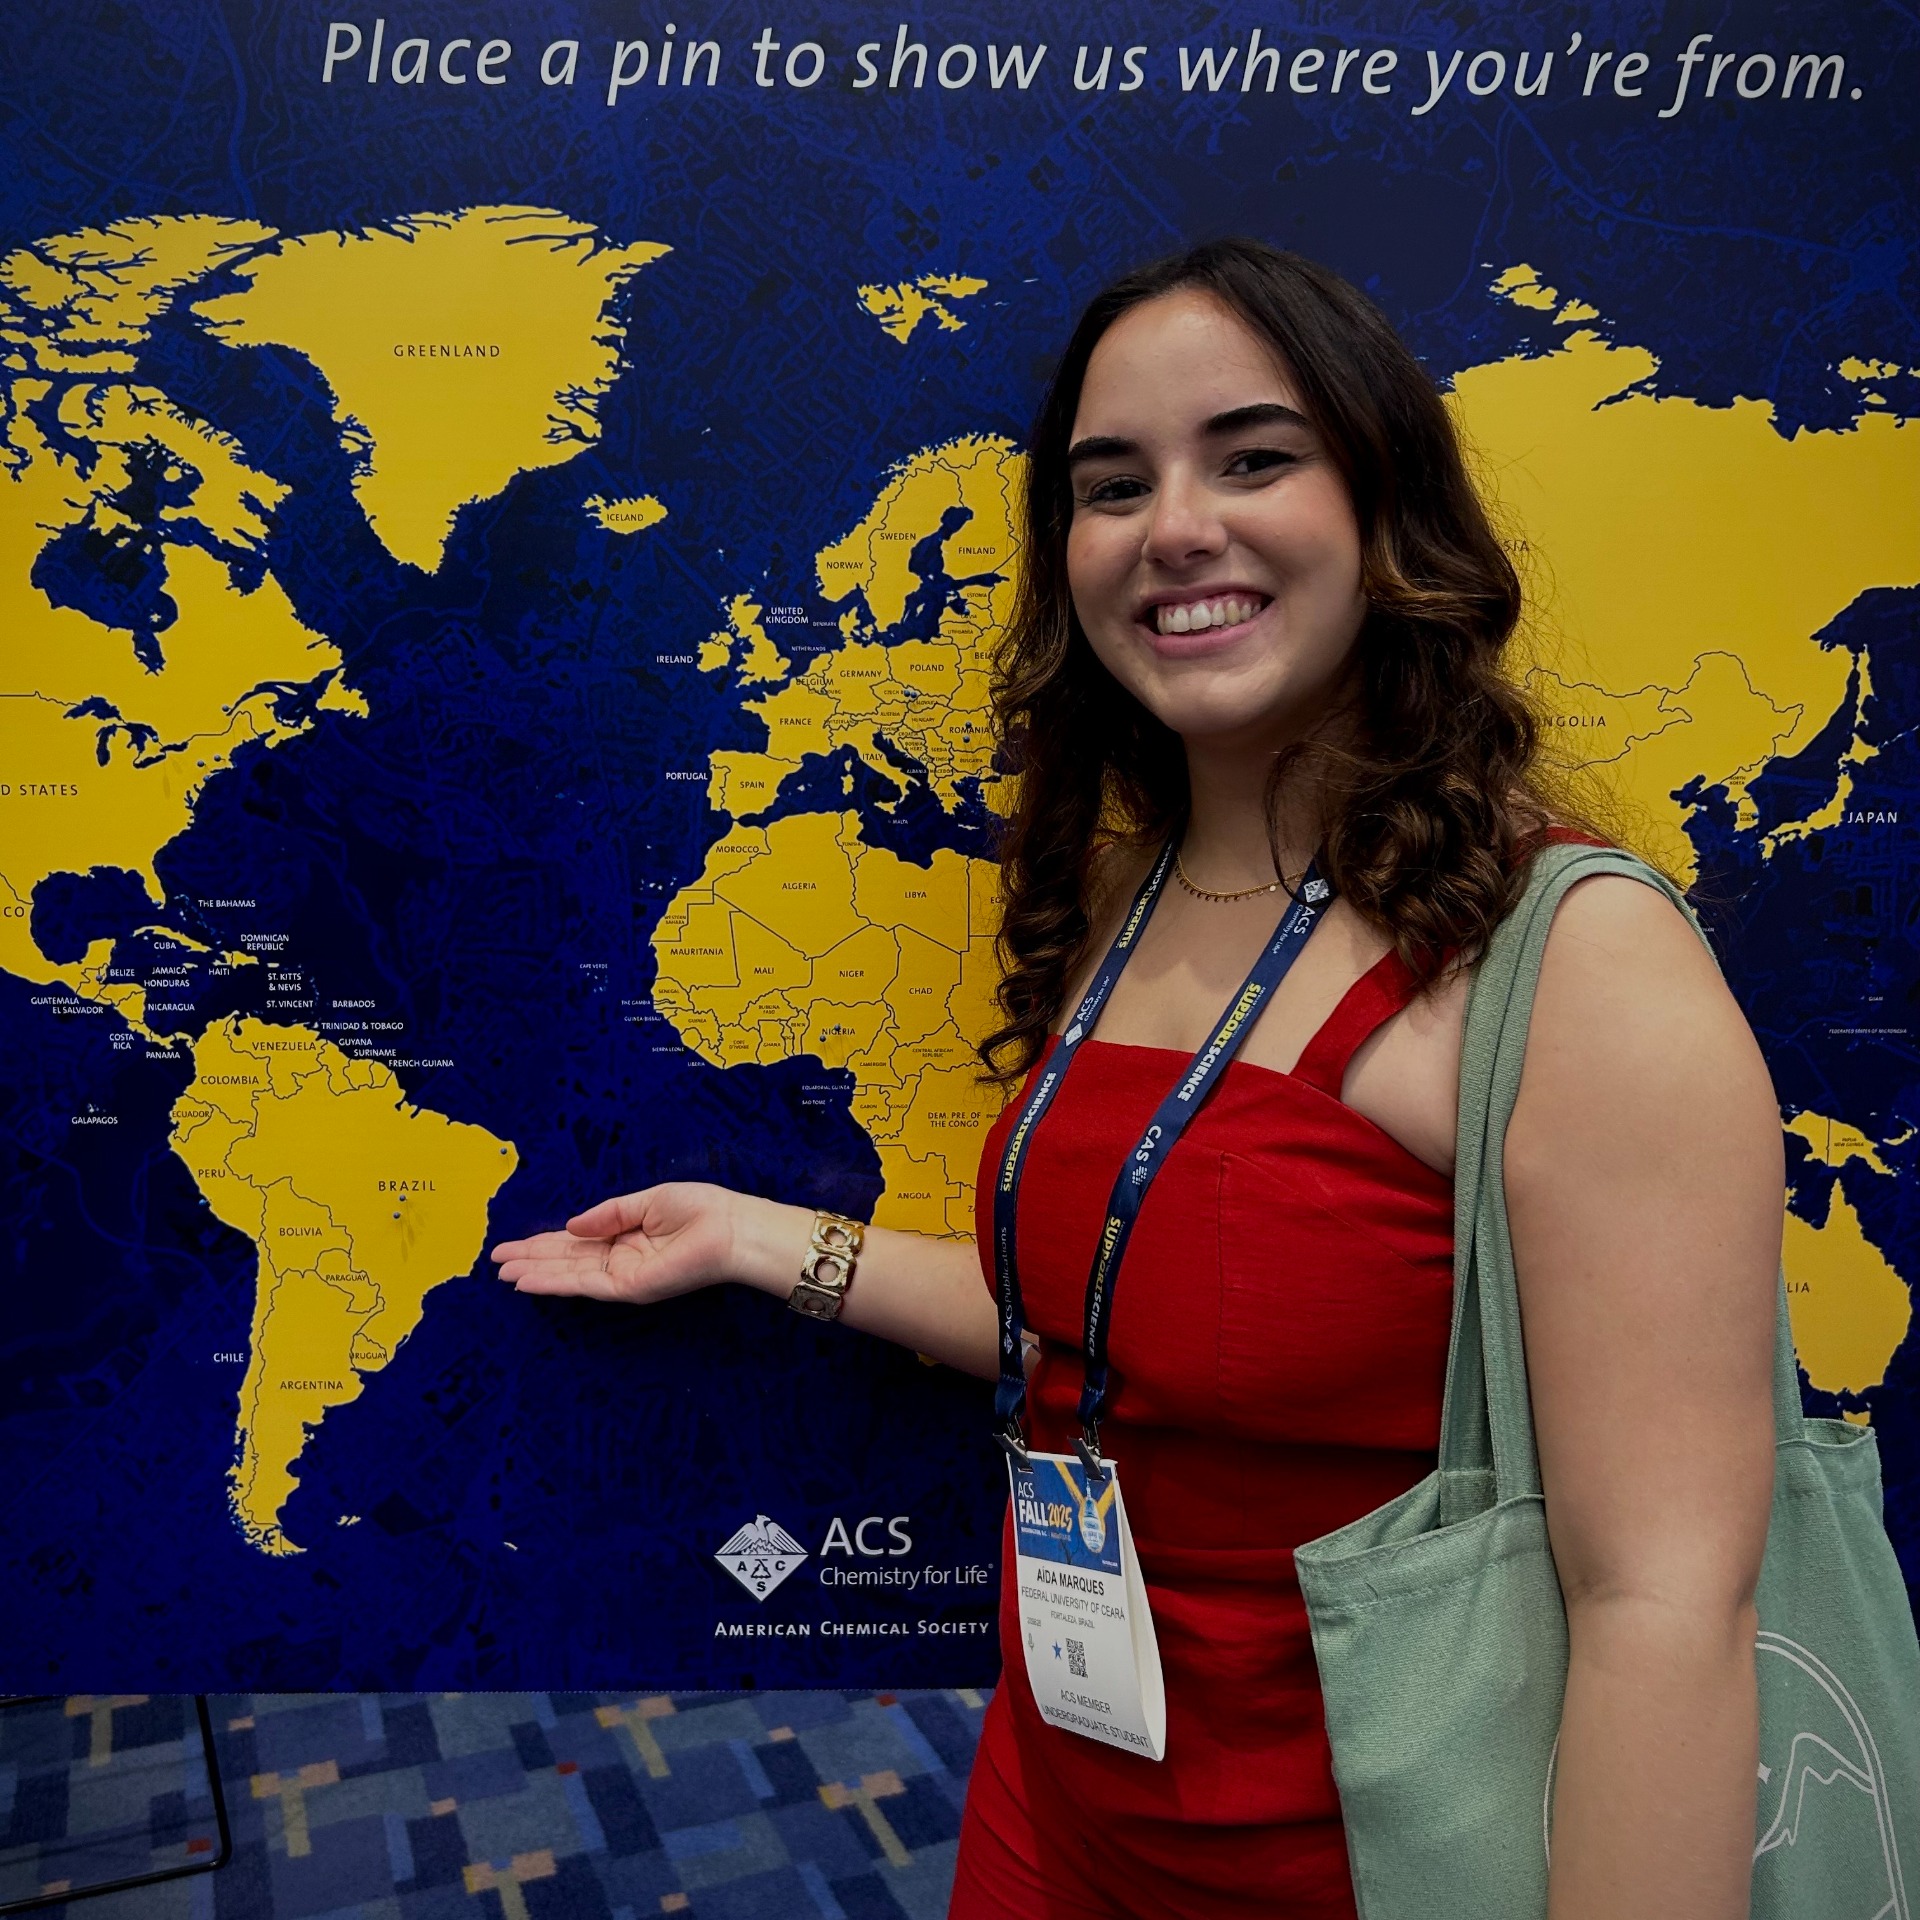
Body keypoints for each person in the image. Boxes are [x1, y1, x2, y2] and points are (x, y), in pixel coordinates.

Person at [491, 240, 1782, 1919]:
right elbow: (1108, 1327)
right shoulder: (1125, 895)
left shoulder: (1576, 962)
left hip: (1380, 1860)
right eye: (1113, 485)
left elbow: (1662, 1607)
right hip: (1061, 1799)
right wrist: (755, 1239)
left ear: (1387, 510)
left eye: (1254, 459)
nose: (1174, 527)